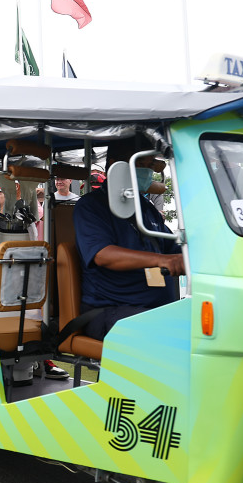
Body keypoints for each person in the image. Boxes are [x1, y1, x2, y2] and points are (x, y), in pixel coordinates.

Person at [72, 137, 184, 340]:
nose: (149, 172)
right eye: (143, 164)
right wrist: (163, 260)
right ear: (117, 166)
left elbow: (173, 247)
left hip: (154, 308)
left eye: (152, 165)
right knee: (172, 335)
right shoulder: (91, 206)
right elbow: (103, 255)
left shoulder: (144, 206)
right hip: (110, 310)